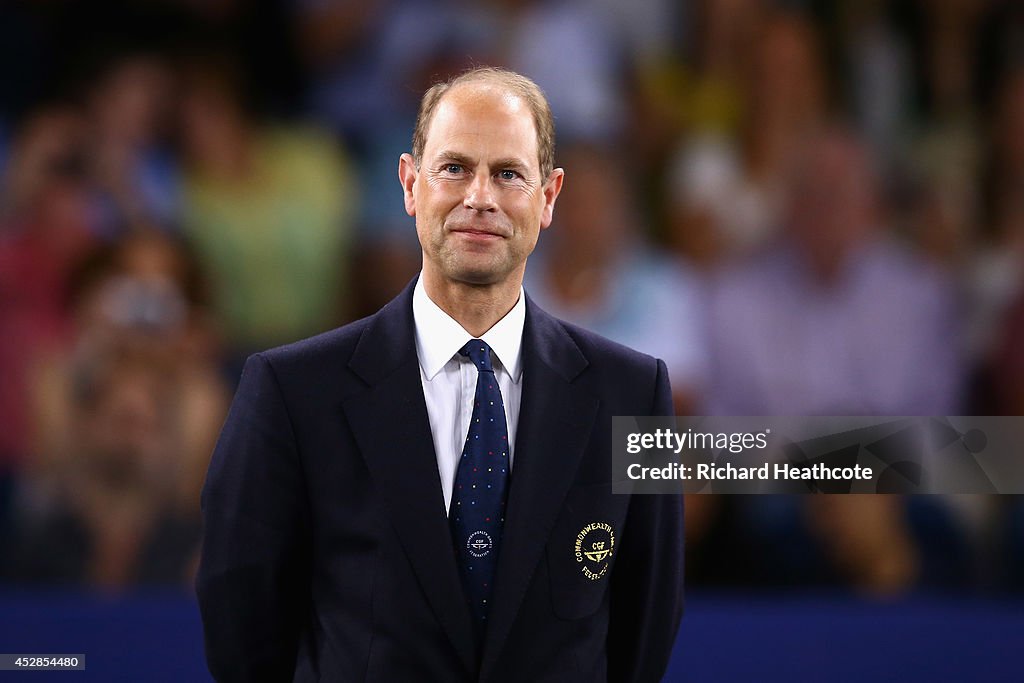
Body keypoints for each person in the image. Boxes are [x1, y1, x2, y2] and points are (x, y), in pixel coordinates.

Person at [195, 67, 684, 682]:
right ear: (409, 183)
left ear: (549, 196)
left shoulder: (632, 396)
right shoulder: (291, 394)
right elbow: (243, 633)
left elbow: (646, 627)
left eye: (508, 173)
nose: (479, 196)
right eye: (454, 168)